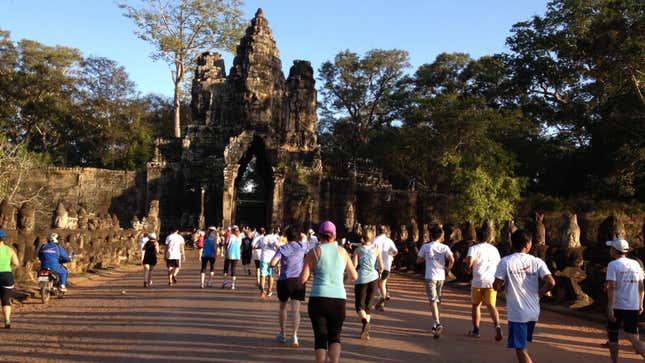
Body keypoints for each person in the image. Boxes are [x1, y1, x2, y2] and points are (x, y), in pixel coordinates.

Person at [299, 221, 358, 363]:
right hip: (338, 299)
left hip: (318, 298)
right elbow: (354, 276)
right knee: (334, 337)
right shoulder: (343, 252)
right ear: (335, 235)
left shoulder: (313, 252)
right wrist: (341, 279)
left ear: (319, 235)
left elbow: (303, 279)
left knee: (320, 338)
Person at [493, 229, 555, 363]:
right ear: (528, 244)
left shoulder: (505, 262)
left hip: (517, 313)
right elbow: (551, 282)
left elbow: (496, 285)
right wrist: (539, 294)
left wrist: (503, 286)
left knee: (520, 348)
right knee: (522, 346)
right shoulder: (537, 261)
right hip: (533, 311)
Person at [605, 238, 645, 363]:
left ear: (614, 250)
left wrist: (610, 308)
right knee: (632, 336)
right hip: (633, 306)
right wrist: (640, 304)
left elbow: (611, 287)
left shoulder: (613, 265)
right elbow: (641, 286)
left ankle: (615, 361)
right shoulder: (635, 264)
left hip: (617, 305)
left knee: (613, 335)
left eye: (611, 248)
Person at [270, 226, 308, 348]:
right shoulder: (302, 247)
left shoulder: (282, 248)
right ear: (297, 236)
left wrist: (275, 265)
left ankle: (283, 333)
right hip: (298, 281)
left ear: (286, 236)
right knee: (296, 310)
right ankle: (295, 335)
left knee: (283, 308)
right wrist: (299, 234)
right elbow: (305, 237)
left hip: (285, 280)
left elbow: (272, 263)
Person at [464, 228, 502, 340]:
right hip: (491, 281)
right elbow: (499, 264)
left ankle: (476, 330)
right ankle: (497, 326)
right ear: (488, 237)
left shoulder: (473, 248)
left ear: (477, 237)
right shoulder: (494, 249)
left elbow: (470, 262)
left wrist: (467, 267)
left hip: (478, 281)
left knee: (476, 305)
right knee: (491, 306)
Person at [416, 225, 454, 338]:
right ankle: (435, 323)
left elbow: (418, 260)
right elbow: (452, 259)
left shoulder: (426, 247)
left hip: (430, 276)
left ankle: (437, 323)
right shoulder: (445, 247)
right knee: (437, 300)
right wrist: (448, 269)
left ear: (430, 235)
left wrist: (425, 258)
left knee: (433, 300)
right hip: (441, 277)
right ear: (441, 235)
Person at [353, 234, 383, 340]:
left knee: (359, 306)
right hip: (373, 279)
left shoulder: (358, 250)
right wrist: (379, 272)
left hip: (361, 279)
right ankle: (365, 332)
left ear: (363, 238)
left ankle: (365, 322)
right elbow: (381, 266)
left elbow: (354, 265)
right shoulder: (376, 250)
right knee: (368, 305)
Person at [373, 225, 398, 310]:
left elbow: (370, 250)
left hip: (377, 265)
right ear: (385, 231)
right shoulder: (389, 240)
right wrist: (391, 255)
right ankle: (382, 302)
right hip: (387, 265)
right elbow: (395, 251)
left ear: (378, 231)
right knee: (383, 284)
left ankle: (381, 300)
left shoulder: (375, 240)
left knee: (377, 284)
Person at [0, 230, 19, 328]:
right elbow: (16, 263)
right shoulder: (9, 250)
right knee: (5, 299)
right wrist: (9, 267)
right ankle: (7, 320)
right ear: (3, 239)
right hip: (6, 275)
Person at [260, 228, 279, 297]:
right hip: (272, 259)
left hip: (264, 258)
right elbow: (278, 247)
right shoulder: (275, 238)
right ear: (272, 231)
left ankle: (262, 290)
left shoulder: (263, 238)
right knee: (271, 275)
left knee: (263, 275)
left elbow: (260, 246)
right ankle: (269, 290)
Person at [222, 225, 242, 290]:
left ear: (232, 230)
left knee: (226, 267)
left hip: (229, 253)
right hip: (236, 254)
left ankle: (225, 281)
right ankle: (233, 284)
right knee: (233, 268)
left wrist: (225, 248)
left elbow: (226, 243)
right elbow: (240, 245)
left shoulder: (230, 236)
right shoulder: (240, 236)